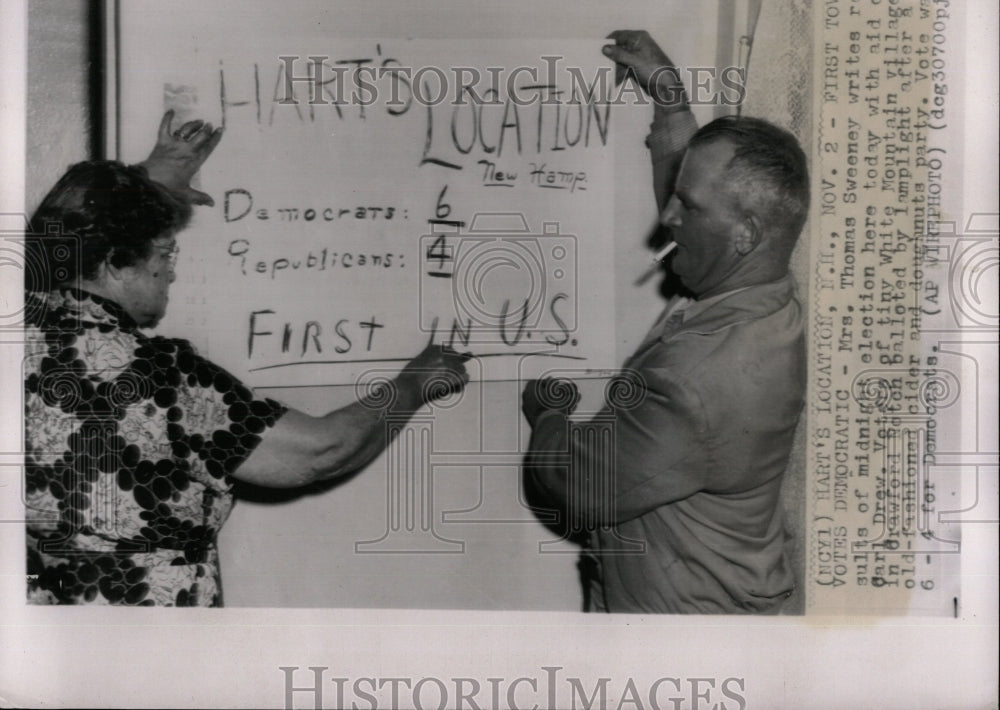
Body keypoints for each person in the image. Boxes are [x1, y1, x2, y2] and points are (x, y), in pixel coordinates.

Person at [24, 112, 471, 606]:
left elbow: (65, 230)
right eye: (164, 255)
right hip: (154, 637)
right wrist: (414, 382)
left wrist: (151, 179)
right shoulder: (162, 377)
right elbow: (320, 451)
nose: (170, 275)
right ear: (114, 263)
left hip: (52, 631)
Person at [521, 31, 809, 614]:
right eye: (676, 197)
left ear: (745, 233)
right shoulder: (759, 290)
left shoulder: (696, 380)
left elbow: (578, 487)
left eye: (687, 206)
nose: (668, 217)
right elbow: (695, 216)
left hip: (679, 629)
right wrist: (670, 101)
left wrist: (547, 414)